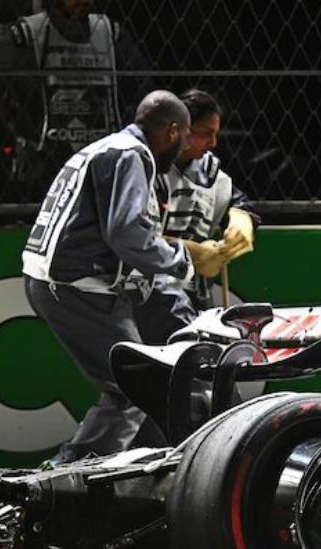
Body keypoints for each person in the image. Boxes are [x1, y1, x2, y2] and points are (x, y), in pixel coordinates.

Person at [22, 90, 195, 467]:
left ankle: (148, 470)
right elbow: (126, 233)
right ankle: (69, 476)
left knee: (144, 385)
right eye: (184, 138)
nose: (183, 148)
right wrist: (180, 261)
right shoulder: (133, 155)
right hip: (75, 286)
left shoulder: (108, 147)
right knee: (137, 387)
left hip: (58, 280)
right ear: (171, 130)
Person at [0, 0, 153, 202]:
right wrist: (15, 116)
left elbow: (142, 86)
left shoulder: (110, 32)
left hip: (103, 157)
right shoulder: (26, 33)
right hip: (43, 162)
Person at [133, 89, 260, 345]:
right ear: (179, 129)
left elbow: (237, 202)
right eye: (204, 133)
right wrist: (195, 254)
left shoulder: (209, 172)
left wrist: (241, 220)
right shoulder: (142, 166)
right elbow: (134, 234)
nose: (213, 143)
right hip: (145, 288)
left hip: (195, 290)